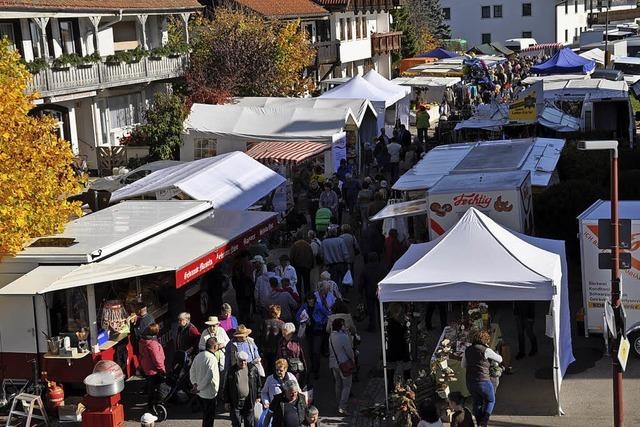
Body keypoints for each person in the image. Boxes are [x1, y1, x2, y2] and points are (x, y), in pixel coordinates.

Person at [462, 329, 503, 427]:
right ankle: (484, 421)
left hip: (470, 382)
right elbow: (500, 359)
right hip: (483, 381)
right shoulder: (486, 350)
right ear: (485, 340)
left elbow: (463, 365)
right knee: (490, 400)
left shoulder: (467, 350)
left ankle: (479, 422)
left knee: (477, 402)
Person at [190, 337, 223, 427]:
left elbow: (192, 370)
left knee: (205, 416)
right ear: (215, 346)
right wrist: (198, 387)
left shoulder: (199, 355)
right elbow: (209, 377)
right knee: (209, 418)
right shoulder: (212, 359)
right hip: (209, 393)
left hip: (200, 393)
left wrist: (195, 384)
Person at [225, 351, 260, 427]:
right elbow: (226, 386)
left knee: (249, 423)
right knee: (236, 422)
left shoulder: (253, 369)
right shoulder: (231, 371)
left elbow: (258, 384)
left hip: (249, 401)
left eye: (245, 361)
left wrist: (258, 396)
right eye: (241, 361)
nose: (243, 363)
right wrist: (226, 401)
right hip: (235, 401)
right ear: (237, 360)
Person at [328, 318, 354, 415]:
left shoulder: (331, 337)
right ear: (340, 326)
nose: (345, 326)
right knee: (347, 385)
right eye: (343, 325)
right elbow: (349, 350)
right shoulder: (343, 337)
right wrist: (353, 359)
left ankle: (338, 402)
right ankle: (342, 406)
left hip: (334, 363)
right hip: (344, 363)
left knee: (338, 384)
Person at [138, 323, 166, 408]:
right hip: (153, 369)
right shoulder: (152, 344)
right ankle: (156, 403)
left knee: (150, 386)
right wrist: (162, 369)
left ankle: (150, 403)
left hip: (146, 366)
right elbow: (157, 359)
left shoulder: (142, 341)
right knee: (157, 386)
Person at [359, 252, 387, 331]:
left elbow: (361, 282)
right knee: (380, 309)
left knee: (371, 310)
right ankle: (381, 325)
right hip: (380, 291)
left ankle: (372, 325)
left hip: (369, 291)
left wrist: (360, 292)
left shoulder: (365, 268)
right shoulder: (382, 267)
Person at [387, 303, 410, 387]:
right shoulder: (393, 323)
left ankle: (404, 385)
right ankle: (393, 386)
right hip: (398, 348)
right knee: (395, 369)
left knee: (403, 368)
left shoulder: (391, 322)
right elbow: (402, 335)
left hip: (396, 348)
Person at [233, 251, 255, 323]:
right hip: (247, 289)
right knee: (247, 305)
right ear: (245, 257)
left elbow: (233, 279)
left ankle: (242, 318)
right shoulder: (248, 264)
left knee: (240, 305)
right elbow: (250, 277)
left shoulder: (236, 265)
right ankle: (247, 318)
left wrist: (236, 287)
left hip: (239, 289)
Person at [262, 304, 285, 376]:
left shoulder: (265, 322)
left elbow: (262, 336)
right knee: (277, 367)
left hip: (266, 349)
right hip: (277, 349)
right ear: (277, 313)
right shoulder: (281, 323)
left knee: (268, 367)